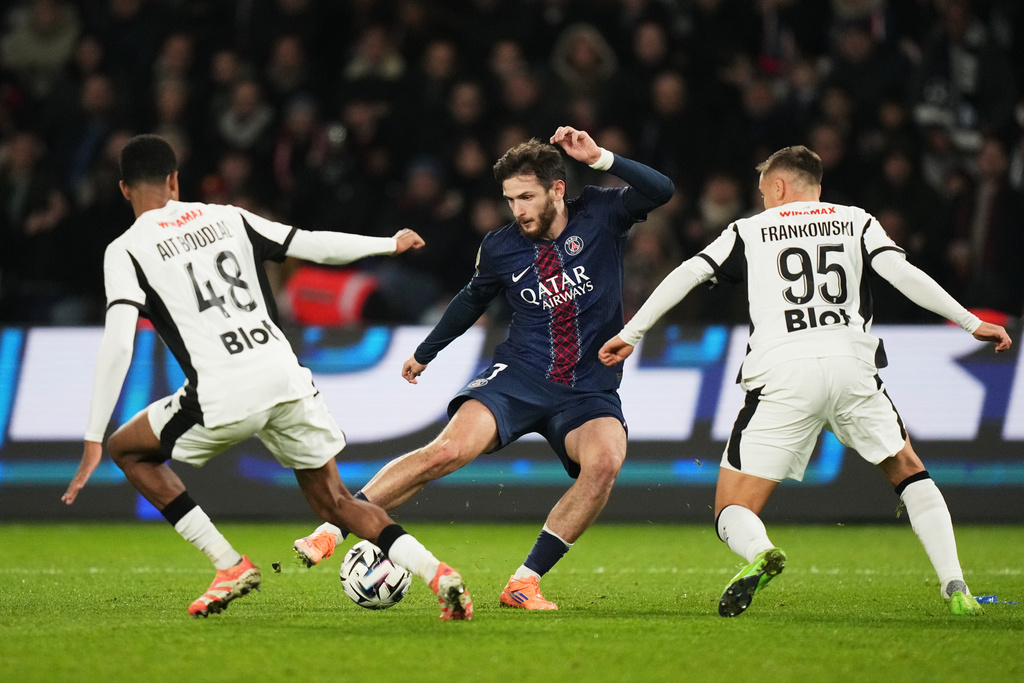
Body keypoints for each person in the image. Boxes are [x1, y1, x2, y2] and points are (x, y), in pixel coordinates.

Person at [60, 134, 472, 621]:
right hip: (285, 375)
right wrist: (388, 243)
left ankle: (228, 564)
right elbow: (312, 244)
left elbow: (120, 342)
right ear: (175, 180)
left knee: (127, 449)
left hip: (222, 389)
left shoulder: (126, 249)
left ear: (124, 189)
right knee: (337, 502)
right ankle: (438, 573)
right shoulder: (227, 216)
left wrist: (92, 436)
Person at [599, 145, 1011, 617]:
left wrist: (632, 332)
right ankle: (956, 586)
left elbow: (691, 273)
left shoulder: (749, 230)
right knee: (908, 469)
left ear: (778, 186)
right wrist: (969, 321)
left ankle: (759, 552)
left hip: (783, 373)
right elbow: (902, 273)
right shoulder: (856, 220)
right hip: (852, 367)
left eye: (762, 192)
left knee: (732, 508)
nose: (762, 202)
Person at [292, 126, 674, 610]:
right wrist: (427, 351)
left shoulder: (601, 213)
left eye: (527, 197)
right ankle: (333, 528)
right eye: (510, 199)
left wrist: (601, 157)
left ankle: (524, 582)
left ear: (558, 190)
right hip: (518, 377)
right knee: (444, 453)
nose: (517, 210)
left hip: (588, 390)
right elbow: (472, 299)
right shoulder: (501, 246)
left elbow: (661, 190)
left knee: (604, 465)